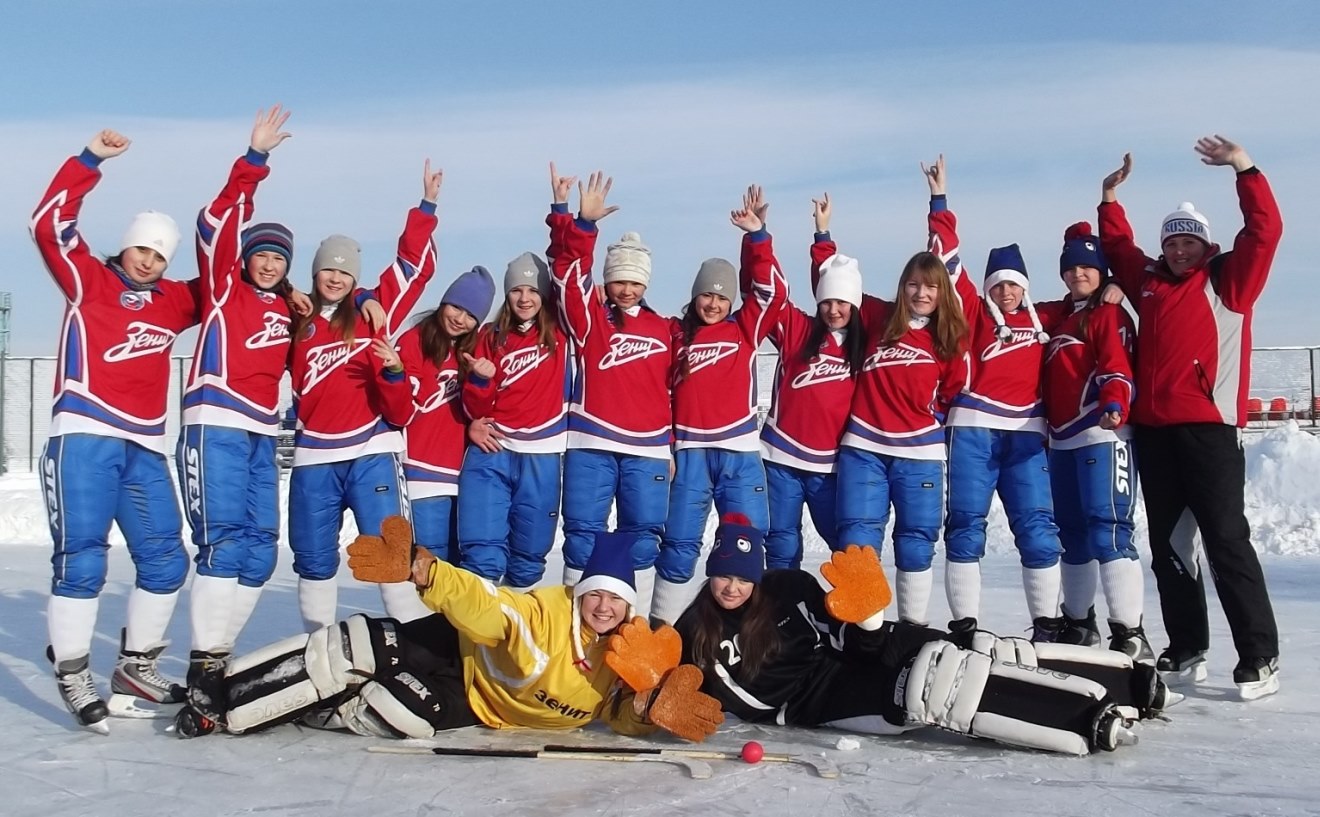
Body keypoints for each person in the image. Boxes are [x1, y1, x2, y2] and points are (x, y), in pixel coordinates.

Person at [172, 518, 723, 743]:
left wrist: (651, 710)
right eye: (595, 594)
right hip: (458, 650)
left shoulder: (632, 654)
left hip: (478, 704)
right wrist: (424, 570)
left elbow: (614, 715)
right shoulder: (545, 614)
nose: (603, 607)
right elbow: (486, 607)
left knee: (396, 711)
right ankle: (221, 695)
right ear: (579, 594)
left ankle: (321, 708)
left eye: (614, 600)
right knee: (354, 648)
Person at [674, 516, 1180, 756]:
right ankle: (1084, 718)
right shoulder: (695, 630)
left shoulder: (789, 588)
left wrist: (868, 620)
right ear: (710, 572)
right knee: (933, 686)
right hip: (816, 697)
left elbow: (856, 647)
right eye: (724, 574)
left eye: (743, 576)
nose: (733, 586)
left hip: (855, 653)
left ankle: (1127, 685)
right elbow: (746, 703)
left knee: (981, 649)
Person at [1097, 136, 1282, 700]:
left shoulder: (1229, 282)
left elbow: (1265, 231)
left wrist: (1243, 168)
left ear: (1206, 246)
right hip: (1155, 432)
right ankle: (1188, 647)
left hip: (1209, 430)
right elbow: (1121, 249)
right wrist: (1108, 199)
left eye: (1189, 242)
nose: (1179, 250)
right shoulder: (1149, 284)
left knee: (1226, 540)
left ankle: (1259, 655)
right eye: (1172, 242)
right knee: (1171, 548)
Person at [31, 128, 201, 733]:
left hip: (144, 446)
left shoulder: (174, 302)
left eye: (159, 255)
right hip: (84, 437)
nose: (148, 261)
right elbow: (47, 224)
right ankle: (74, 670)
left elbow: (235, 284)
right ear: (125, 247)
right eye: (142, 250)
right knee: (82, 560)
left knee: (164, 559)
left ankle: (136, 667)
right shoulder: (89, 280)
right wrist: (90, 161)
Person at [177, 106, 313, 715]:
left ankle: (218, 658)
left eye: (279, 258)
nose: (269, 263)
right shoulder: (222, 288)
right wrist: (253, 162)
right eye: (261, 254)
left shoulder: (290, 311)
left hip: (261, 433)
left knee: (262, 547)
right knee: (223, 545)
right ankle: (203, 661)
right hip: (216, 423)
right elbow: (216, 224)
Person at [286, 160, 442, 632]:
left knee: (391, 553)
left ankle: (419, 645)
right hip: (315, 455)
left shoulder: (373, 310)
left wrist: (427, 207)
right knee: (312, 557)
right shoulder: (295, 315)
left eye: (345, 273)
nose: (335, 278)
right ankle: (319, 647)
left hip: (371, 450)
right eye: (327, 270)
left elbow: (413, 267)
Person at [924, 157, 1067, 640]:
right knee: (965, 523)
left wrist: (1110, 286)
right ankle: (965, 624)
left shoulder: (1045, 317)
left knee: (1038, 527)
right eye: (999, 283)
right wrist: (940, 202)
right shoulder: (974, 311)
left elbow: (1089, 289)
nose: (1006, 291)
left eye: (1014, 284)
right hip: (974, 428)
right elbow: (947, 261)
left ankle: (1047, 623)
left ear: (1025, 287)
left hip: (1027, 433)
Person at [819, 196, 969, 626]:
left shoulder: (949, 339)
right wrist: (823, 236)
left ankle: (910, 630)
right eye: (913, 284)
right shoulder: (877, 317)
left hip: (919, 454)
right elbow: (836, 284)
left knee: (916, 542)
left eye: (930, 286)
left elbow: (953, 391)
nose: (921, 293)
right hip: (864, 447)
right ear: (902, 287)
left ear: (941, 293)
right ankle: (865, 630)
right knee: (858, 540)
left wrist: (940, 203)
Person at [651, 187, 787, 623]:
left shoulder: (745, 328)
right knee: (680, 543)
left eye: (721, 297)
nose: (713, 303)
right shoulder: (676, 333)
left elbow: (772, 293)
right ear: (694, 297)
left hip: (739, 455)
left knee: (745, 544)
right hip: (689, 454)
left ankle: (747, 635)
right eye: (706, 295)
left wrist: (757, 237)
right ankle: (663, 632)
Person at [547, 166, 674, 586]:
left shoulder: (665, 328)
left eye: (635, 282)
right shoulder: (592, 323)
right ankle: (572, 623)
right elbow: (569, 277)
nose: (626, 289)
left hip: (648, 449)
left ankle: (630, 627)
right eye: (618, 280)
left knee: (642, 538)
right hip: (592, 444)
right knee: (583, 534)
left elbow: (674, 391)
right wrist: (581, 225)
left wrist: (669, 447)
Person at [1041, 222, 1150, 662]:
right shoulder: (1060, 314)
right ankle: (1079, 623)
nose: (1078, 274)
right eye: (1071, 268)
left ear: (1100, 271)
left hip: (1103, 432)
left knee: (1109, 530)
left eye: (1088, 266)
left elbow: (1117, 366)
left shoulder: (1108, 314)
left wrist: (1115, 403)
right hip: (1062, 439)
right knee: (1073, 534)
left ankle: (1130, 631)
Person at [755, 190, 862, 570]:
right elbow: (770, 292)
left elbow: (835, 275)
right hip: (781, 456)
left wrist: (824, 234)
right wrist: (758, 237)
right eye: (827, 302)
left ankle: (851, 621)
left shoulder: (866, 343)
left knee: (844, 546)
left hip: (832, 465)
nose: (834, 310)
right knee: (781, 544)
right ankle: (781, 619)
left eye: (842, 303)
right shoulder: (798, 329)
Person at [456, 252, 570, 587]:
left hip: (541, 454)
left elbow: (576, 283)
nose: (525, 298)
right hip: (492, 450)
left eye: (533, 290)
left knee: (530, 553)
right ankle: (477, 633)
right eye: (517, 290)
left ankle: (516, 630)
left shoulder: (562, 336)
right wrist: (479, 380)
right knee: (482, 553)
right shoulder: (489, 336)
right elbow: (474, 406)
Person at [377, 266, 493, 566]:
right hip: (422, 474)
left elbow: (477, 413)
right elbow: (400, 413)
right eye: (456, 306)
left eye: (470, 315)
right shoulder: (414, 341)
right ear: (443, 302)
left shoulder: (473, 350)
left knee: (460, 569)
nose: (459, 318)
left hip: (465, 478)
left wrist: (480, 381)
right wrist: (396, 374)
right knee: (428, 566)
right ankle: (419, 616)